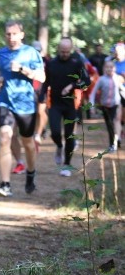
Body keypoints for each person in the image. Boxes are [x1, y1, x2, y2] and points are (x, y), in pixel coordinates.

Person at [0, 20, 45, 197]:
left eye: (14, 34)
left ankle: (31, 173)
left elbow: (42, 77)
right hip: (5, 101)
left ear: (21, 35)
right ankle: (5, 184)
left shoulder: (31, 52)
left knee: (28, 143)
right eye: (8, 34)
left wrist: (23, 69)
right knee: (5, 137)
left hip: (26, 103)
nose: (11, 37)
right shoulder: (0, 53)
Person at [40, 37, 90, 177]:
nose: (65, 54)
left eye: (67, 52)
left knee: (69, 136)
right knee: (55, 132)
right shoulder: (51, 63)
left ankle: (67, 164)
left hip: (70, 105)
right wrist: (42, 94)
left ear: (71, 49)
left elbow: (86, 81)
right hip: (55, 104)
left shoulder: (77, 62)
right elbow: (46, 82)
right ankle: (59, 146)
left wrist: (73, 85)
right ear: (58, 49)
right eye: (62, 51)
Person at [88, 58, 124, 152]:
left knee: (115, 122)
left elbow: (122, 90)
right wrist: (91, 106)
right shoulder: (101, 80)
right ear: (104, 68)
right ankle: (113, 142)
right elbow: (93, 93)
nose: (109, 69)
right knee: (109, 125)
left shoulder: (117, 78)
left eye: (111, 67)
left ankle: (114, 142)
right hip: (105, 106)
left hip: (116, 104)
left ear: (114, 68)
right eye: (107, 67)